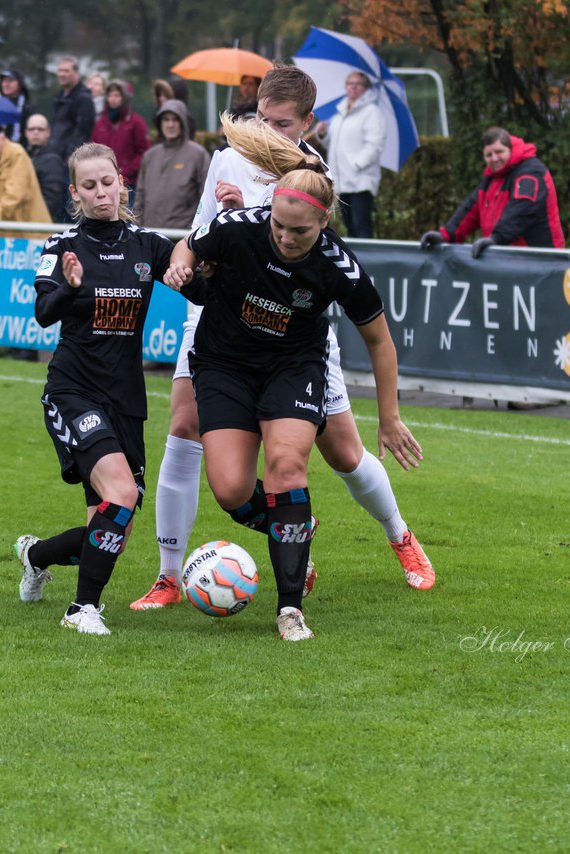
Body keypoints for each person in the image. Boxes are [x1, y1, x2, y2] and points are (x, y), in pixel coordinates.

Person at [131, 64, 435, 612]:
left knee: (342, 449)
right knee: (183, 421)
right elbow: (199, 238)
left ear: (308, 124)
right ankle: (169, 575)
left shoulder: (312, 172)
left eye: (282, 123)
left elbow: (311, 252)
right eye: (261, 119)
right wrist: (208, 240)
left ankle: (399, 535)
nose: (268, 132)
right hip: (222, 310)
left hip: (294, 324)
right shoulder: (227, 157)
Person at [13, 142, 175, 636]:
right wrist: (71, 289)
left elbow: (200, 287)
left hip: (125, 397)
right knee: (122, 496)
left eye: (107, 182)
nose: (101, 192)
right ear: (74, 193)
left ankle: (36, 555)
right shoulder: (61, 245)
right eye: (89, 186)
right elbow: (43, 314)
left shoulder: (147, 244)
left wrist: (196, 265)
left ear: (120, 182)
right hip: (73, 389)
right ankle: (81, 610)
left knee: (109, 531)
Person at [420, 126, 565, 257]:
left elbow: (521, 210)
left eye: (499, 152)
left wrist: (496, 238)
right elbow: (470, 210)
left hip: (541, 264)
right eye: (489, 155)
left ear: (510, 149)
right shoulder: (491, 178)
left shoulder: (531, 172)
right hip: (507, 263)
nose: (494, 158)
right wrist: (446, 235)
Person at [313, 71, 385, 238]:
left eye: (358, 83)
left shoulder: (372, 112)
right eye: (350, 83)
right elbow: (333, 145)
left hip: (361, 181)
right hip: (341, 180)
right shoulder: (339, 114)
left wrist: (356, 165)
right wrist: (323, 134)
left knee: (361, 226)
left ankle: (365, 262)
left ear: (366, 89)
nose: (353, 86)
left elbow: (375, 145)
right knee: (350, 227)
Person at [132, 99, 208, 229]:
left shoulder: (198, 155)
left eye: (175, 120)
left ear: (183, 122)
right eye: (166, 119)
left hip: (182, 237)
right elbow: (140, 197)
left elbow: (206, 199)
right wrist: (136, 229)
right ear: (160, 123)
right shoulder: (150, 156)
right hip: (151, 235)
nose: (170, 124)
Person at [90, 80, 148, 207]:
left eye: (117, 95)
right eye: (110, 95)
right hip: (103, 182)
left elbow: (143, 152)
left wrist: (126, 171)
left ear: (124, 98)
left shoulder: (136, 122)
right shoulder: (101, 123)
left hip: (128, 184)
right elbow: (93, 150)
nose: (113, 99)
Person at [24, 114, 69, 223]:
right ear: (26, 132)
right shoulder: (23, 156)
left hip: (42, 222)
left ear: (48, 132)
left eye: (40, 129)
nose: (35, 132)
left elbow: (52, 200)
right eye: (31, 129)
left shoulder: (53, 159)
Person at [51, 55, 95, 159]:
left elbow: (83, 132)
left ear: (76, 73)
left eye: (66, 71)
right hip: (56, 155)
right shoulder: (59, 97)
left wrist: (70, 154)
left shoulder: (84, 99)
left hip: (70, 158)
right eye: (60, 70)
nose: (62, 74)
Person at [0, 69, 35, 143]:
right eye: (4, 81)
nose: (6, 84)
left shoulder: (26, 106)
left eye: (10, 81)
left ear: (20, 84)